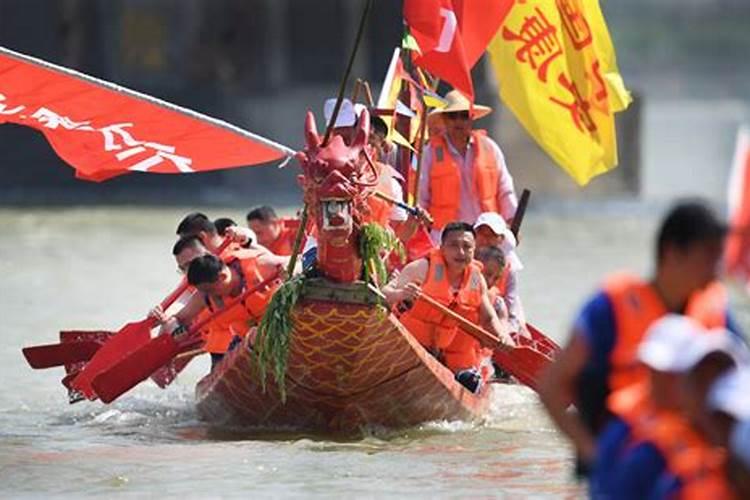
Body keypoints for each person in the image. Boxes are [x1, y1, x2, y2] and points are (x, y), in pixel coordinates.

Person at [538, 200, 736, 478]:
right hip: (623, 465)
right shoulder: (611, 306)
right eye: (709, 256)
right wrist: (591, 452)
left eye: (720, 256)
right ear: (673, 252)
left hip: (687, 469)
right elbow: (550, 387)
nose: (718, 269)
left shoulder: (715, 307)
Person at [591, 316, 738, 499]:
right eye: (665, 374)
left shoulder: (738, 439)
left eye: (717, 377)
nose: (709, 388)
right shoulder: (646, 454)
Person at [382, 222, 515, 392]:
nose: (460, 252)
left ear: (474, 251)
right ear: (442, 247)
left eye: (467, 247)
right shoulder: (423, 268)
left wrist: (502, 336)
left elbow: (488, 317)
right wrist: (400, 294)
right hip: (407, 348)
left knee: (472, 383)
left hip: (441, 354)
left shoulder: (476, 279)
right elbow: (383, 293)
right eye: (453, 245)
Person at [417, 90, 518, 241]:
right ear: (444, 120)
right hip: (445, 238)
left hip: (487, 235)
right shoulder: (429, 153)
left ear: (471, 118)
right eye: (453, 116)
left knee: (512, 264)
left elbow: (505, 190)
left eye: (464, 116)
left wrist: (512, 223)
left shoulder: (490, 148)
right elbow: (421, 197)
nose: (458, 121)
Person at [474, 212, 526, 334]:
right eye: (482, 233)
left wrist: (505, 332)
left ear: (501, 239)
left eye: (492, 235)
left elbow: (512, 311)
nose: (485, 239)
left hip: (495, 324)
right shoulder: (463, 258)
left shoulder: (509, 269)